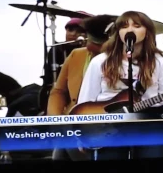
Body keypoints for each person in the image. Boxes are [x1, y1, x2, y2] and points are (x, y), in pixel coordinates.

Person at [77, 11, 163, 160]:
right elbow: (87, 98)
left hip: (148, 121)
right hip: (107, 126)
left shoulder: (161, 61)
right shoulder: (101, 61)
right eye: (124, 26)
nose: (130, 30)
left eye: (137, 26)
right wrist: (80, 131)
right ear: (118, 32)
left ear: (148, 32)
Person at [47, 15, 123, 161]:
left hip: (106, 125)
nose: (86, 43)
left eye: (91, 41)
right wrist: (55, 119)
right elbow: (58, 91)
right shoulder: (76, 55)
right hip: (73, 120)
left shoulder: (123, 61)